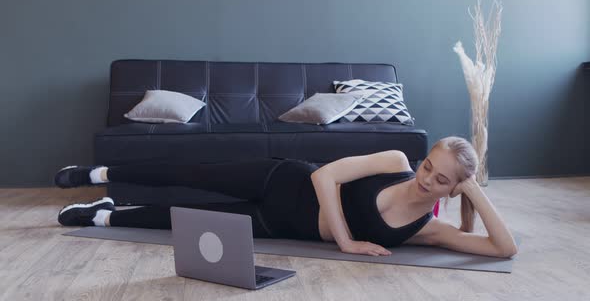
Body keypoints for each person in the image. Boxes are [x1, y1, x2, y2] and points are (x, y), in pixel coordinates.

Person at [56, 136, 518, 258]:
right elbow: (326, 179)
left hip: (278, 225)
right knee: (187, 171)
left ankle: (102, 216)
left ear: (453, 188)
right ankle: (98, 174)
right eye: (428, 166)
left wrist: (473, 190)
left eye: (441, 181)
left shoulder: (429, 230)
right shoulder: (396, 160)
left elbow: (503, 248)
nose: (426, 180)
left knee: (181, 217)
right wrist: (347, 242)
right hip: (281, 181)